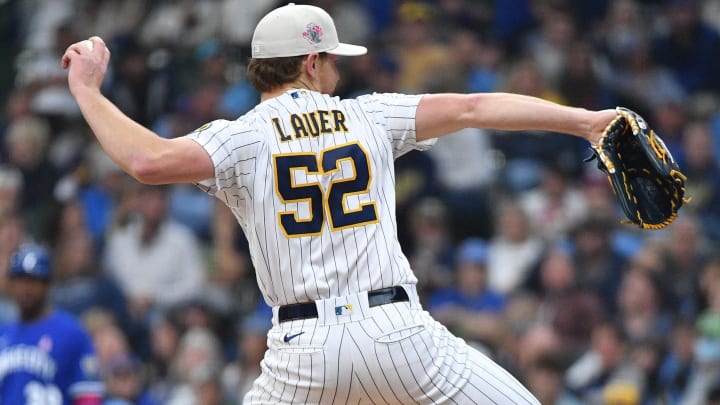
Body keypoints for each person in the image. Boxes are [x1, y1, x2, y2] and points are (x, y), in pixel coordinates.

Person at [62, 3, 619, 404]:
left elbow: (148, 161)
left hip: (301, 355)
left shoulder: (240, 135)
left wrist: (87, 91)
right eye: (330, 57)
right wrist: (586, 122)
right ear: (308, 62)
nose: (337, 68)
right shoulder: (368, 114)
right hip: (398, 335)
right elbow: (473, 106)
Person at [0, 243, 103, 404]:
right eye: (20, 280)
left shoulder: (72, 333)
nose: (26, 288)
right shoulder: (3, 333)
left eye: (33, 281)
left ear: (47, 285)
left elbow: (88, 395)